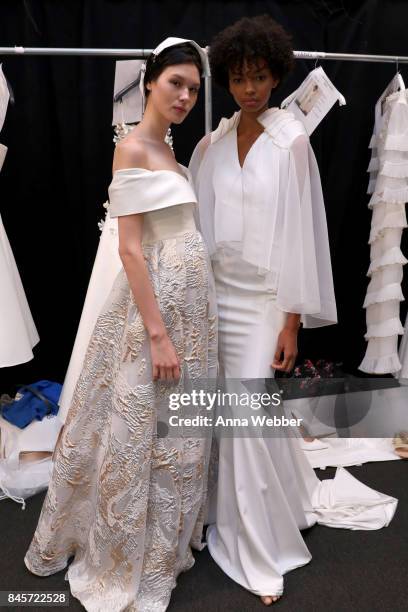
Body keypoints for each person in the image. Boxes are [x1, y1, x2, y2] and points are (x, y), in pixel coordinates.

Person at [190, 15, 397, 606]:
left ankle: (257, 548)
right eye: (238, 78)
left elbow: (303, 235)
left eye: (259, 76)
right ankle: (239, 510)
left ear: (277, 75)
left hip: (262, 305)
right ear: (226, 80)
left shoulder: (292, 141)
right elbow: (198, 235)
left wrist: (291, 322)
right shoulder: (211, 144)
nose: (249, 88)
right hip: (217, 301)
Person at [24, 37, 217, 612]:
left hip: (192, 313)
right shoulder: (132, 147)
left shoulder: (172, 153)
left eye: (194, 89)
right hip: (151, 313)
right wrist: (156, 332)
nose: (184, 96)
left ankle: (162, 544)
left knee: (174, 428)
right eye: (176, 83)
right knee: (138, 425)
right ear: (151, 81)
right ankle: (118, 550)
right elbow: (131, 250)